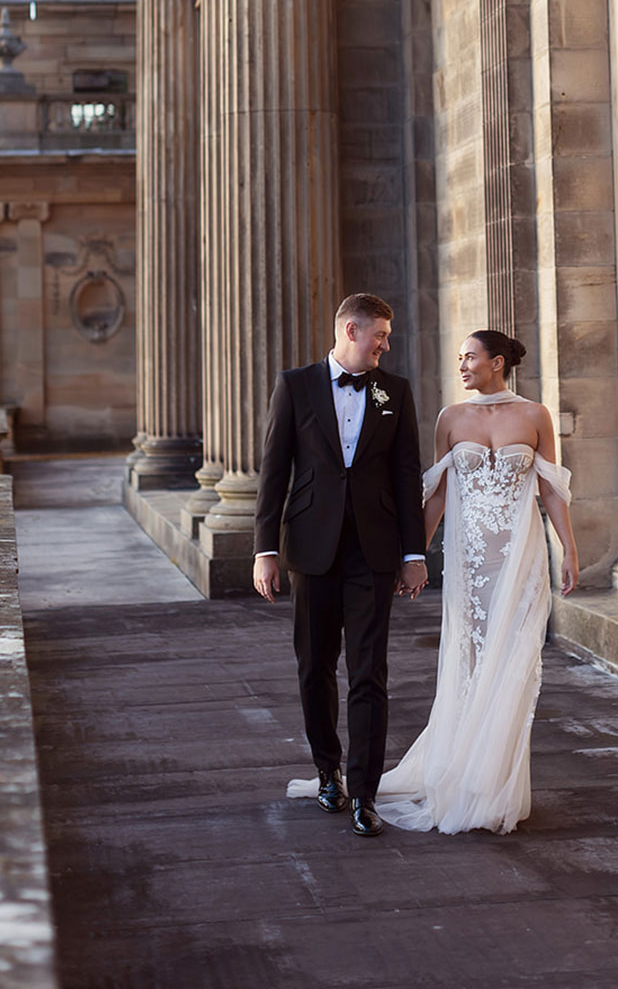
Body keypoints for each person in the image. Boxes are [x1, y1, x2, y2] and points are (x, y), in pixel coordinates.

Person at [373, 328, 578, 834]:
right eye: (460, 358)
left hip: (520, 559)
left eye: (470, 357)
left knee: (513, 663)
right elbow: (439, 495)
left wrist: (569, 550)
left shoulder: (535, 415)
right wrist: (414, 556)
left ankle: (496, 786)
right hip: (468, 564)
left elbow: (551, 490)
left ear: (497, 362)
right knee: (468, 663)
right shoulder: (450, 418)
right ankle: (461, 774)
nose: (462, 365)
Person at [253, 293, 427, 838]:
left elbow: (407, 474)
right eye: (380, 335)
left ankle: (365, 793)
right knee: (314, 666)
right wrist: (264, 550)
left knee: (369, 671)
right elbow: (274, 470)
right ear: (352, 330)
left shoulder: (395, 391)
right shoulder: (295, 385)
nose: (386, 346)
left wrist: (414, 553)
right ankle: (328, 771)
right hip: (311, 547)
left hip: (374, 551)